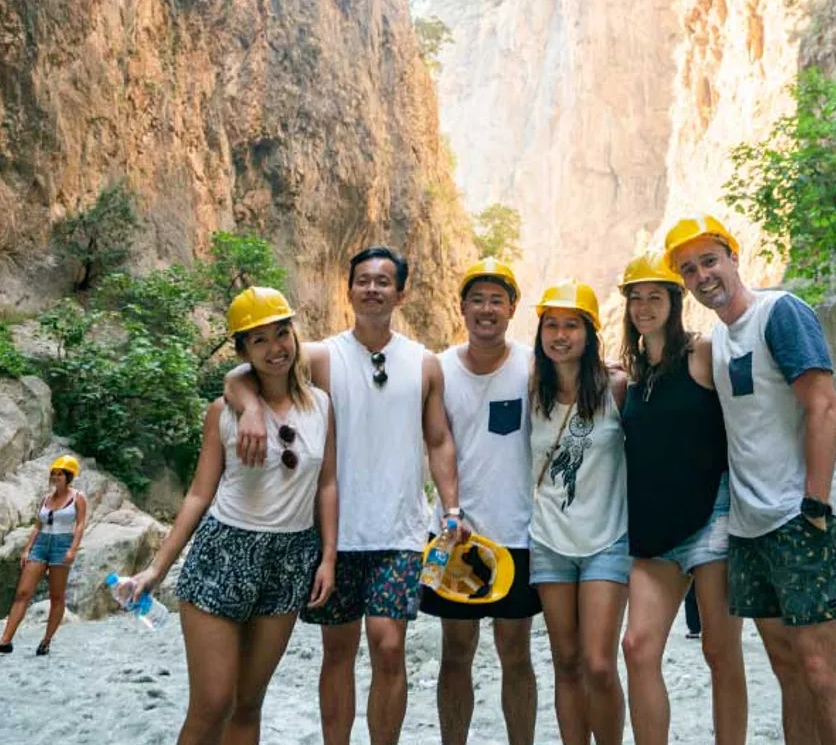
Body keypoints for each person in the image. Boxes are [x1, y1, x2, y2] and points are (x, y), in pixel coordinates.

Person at [226, 246, 462, 745]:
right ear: (349, 288)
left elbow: (438, 440)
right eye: (363, 280)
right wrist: (248, 409)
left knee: (389, 646)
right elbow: (240, 375)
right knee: (337, 651)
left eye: (383, 281)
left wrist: (452, 507)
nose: (372, 289)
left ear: (401, 292)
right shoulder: (318, 357)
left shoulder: (424, 364)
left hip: (400, 532)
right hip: (334, 534)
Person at [667, 215, 836, 745]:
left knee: (822, 667)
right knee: (785, 667)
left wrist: (816, 505)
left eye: (710, 261)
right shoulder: (719, 337)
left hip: (800, 517)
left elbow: (824, 405)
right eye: (690, 269)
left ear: (733, 257)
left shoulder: (780, 313)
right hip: (751, 526)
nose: (703, 275)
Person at [126, 286, 338, 745]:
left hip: (291, 556)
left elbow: (327, 484)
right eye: (258, 340)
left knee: (249, 702)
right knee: (212, 703)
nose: (274, 348)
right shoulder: (222, 412)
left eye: (281, 334)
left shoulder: (321, 406)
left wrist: (328, 557)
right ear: (242, 350)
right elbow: (199, 494)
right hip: (224, 550)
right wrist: (157, 567)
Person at [614, 253, 747, 745]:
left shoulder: (703, 353)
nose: (645, 306)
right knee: (636, 647)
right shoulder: (630, 377)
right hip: (653, 532)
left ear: (674, 302)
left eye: (655, 296)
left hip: (711, 517)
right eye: (636, 298)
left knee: (719, 650)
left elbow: (747, 414)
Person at [422, 259, 540, 745]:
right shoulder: (440, 368)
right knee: (455, 653)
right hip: (454, 534)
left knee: (517, 653)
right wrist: (451, 511)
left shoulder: (534, 365)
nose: (487, 309)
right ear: (463, 306)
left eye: (497, 299)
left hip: (517, 533)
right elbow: (436, 442)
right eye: (478, 299)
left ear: (512, 308)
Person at [526, 281, 630, 745]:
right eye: (552, 325)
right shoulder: (530, 389)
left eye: (571, 325)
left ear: (589, 333)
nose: (560, 335)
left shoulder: (617, 388)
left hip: (607, 538)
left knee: (599, 664)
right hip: (549, 541)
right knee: (566, 661)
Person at [0, 455, 89, 656]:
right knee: (23, 592)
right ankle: (5, 641)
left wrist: (73, 549)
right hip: (41, 544)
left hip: (62, 543)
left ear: (69, 477)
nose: (56, 477)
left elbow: (81, 523)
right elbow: (38, 525)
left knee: (56, 596)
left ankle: (46, 641)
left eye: (60, 474)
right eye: (54, 474)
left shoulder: (78, 497)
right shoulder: (46, 499)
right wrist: (27, 548)